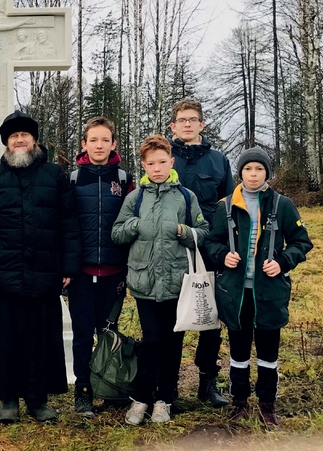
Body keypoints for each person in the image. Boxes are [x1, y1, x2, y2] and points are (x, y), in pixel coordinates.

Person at [0, 110, 80, 423]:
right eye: (13, 136)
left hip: (44, 270)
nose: (19, 140)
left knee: (42, 336)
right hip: (5, 272)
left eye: (25, 135)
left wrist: (68, 267)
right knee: (5, 337)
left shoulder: (54, 176)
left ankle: (38, 400)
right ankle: (8, 400)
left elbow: (68, 223)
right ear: (7, 142)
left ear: (34, 140)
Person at [205, 147, 313, 428]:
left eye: (259, 170)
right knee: (238, 352)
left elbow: (302, 242)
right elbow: (212, 242)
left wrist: (283, 262)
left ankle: (267, 405)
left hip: (269, 293)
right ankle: (239, 402)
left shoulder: (282, 205)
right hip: (236, 294)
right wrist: (222, 256)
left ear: (267, 173)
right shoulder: (225, 206)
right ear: (240, 173)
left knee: (268, 352)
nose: (253, 175)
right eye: (248, 169)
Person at [111, 135, 208, 426]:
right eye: (151, 163)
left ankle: (165, 399)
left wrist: (184, 231)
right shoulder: (135, 197)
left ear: (171, 162)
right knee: (152, 340)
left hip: (178, 283)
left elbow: (203, 231)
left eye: (162, 162)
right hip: (144, 283)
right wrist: (136, 225)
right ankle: (141, 398)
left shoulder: (186, 197)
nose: (157, 168)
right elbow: (117, 233)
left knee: (173, 343)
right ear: (143, 165)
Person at [168, 98, 235, 407]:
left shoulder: (218, 161)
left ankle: (207, 381)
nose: (187, 124)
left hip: (210, 249)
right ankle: (168, 386)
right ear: (173, 126)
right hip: (172, 250)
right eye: (181, 120)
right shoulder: (163, 159)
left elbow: (230, 208)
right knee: (173, 316)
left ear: (202, 125)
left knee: (211, 317)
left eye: (193, 119)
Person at [67, 117, 133, 417]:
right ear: (84, 144)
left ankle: (109, 385)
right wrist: (65, 270)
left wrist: (129, 270)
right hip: (80, 274)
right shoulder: (72, 179)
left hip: (114, 273)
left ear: (114, 144)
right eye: (93, 140)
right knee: (82, 336)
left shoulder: (124, 178)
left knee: (108, 334)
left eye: (105, 140)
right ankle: (83, 391)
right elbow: (64, 226)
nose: (99, 145)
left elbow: (132, 226)